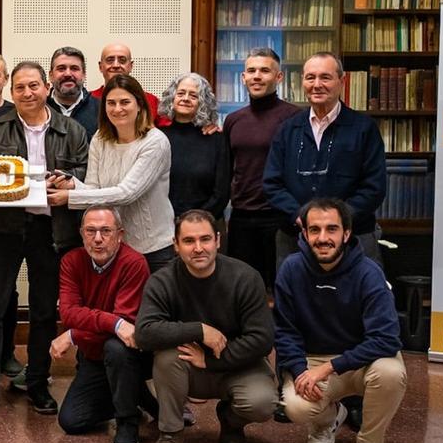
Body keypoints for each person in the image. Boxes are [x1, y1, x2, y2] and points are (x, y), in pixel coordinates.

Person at [0, 62, 88, 416]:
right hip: (5, 227)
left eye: (33, 86)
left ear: (46, 87)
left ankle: (37, 382)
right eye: (20, 88)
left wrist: (65, 180)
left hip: (52, 230)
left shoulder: (72, 129)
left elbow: (82, 171)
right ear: (11, 92)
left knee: (45, 310)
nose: (27, 93)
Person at [275, 198, 405, 443]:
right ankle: (329, 420)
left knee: (391, 372)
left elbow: (386, 339)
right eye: (315, 230)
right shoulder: (291, 270)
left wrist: (328, 368)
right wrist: (300, 371)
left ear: (346, 233)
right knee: (295, 406)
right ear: (305, 234)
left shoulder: (369, 273)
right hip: (313, 360)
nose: (323, 238)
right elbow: (285, 332)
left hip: (362, 361)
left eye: (331, 229)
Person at [136, 210, 278, 443]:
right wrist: (199, 330)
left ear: (218, 240)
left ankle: (231, 422)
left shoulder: (245, 277)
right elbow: (145, 333)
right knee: (167, 357)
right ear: (176, 245)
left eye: (205, 239)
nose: (198, 248)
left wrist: (211, 361)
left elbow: (262, 339)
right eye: (189, 241)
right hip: (188, 367)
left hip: (239, 366)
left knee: (263, 401)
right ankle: (171, 434)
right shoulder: (163, 281)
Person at [263, 52, 387, 267]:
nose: (317, 84)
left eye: (325, 77)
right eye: (310, 77)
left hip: (354, 238)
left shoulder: (364, 129)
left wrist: (336, 221)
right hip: (295, 238)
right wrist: (301, 216)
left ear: (342, 81)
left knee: (356, 299)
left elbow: (374, 187)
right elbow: (272, 183)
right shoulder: (288, 130)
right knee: (296, 299)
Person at [52, 206, 155, 443]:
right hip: (94, 355)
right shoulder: (71, 261)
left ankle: (127, 421)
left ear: (120, 234)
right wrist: (113, 323)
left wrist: (75, 334)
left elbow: (127, 325)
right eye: (91, 231)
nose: (97, 239)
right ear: (81, 233)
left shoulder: (134, 263)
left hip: (132, 355)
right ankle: (136, 395)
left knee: (115, 346)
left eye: (106, 231)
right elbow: (69, 313)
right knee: (71, 421)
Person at [51, 74, 176, 274]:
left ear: (140, 105)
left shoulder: (155, 142)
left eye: (125, 102)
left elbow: (126, 193)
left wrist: (70, 197)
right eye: (111, 103)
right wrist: (72, 184)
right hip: (113, 249)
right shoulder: (100, 139)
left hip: (153, 249)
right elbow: (94, 189)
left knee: (152, 306)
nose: (117, 109)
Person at [223, 47, 300, 288]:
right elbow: (227, 169)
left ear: (279, 77)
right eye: (251, 71)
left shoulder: (294, 118)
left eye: (265, 71)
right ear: (243, 77)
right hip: (241, 217)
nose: (257, 76)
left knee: (281, 288)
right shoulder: (233, 120)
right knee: (243, 288)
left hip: (279, 218)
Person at [158, 73, 230, 218]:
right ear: (172, 98)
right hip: (162, 224)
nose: (185, 99)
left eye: (193, 96)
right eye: (181, 93)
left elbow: (222, 192)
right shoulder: (158, 137)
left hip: (206, 223)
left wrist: (196, 220)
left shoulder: (216, 139)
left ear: (202, 103)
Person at [89, 42, 169, 128]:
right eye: (110, 60)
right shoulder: (88, 100)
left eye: (122, 60)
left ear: (130, 66)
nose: (116, 65)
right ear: (101, 66)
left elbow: (167, 134)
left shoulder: (150, 101)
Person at [46, 46, 101, 137]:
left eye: (74, 68)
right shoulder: (40, 108)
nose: (68, 74)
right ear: (51, 75)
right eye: (61, 68)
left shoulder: (101, 109)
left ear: (83, 75)